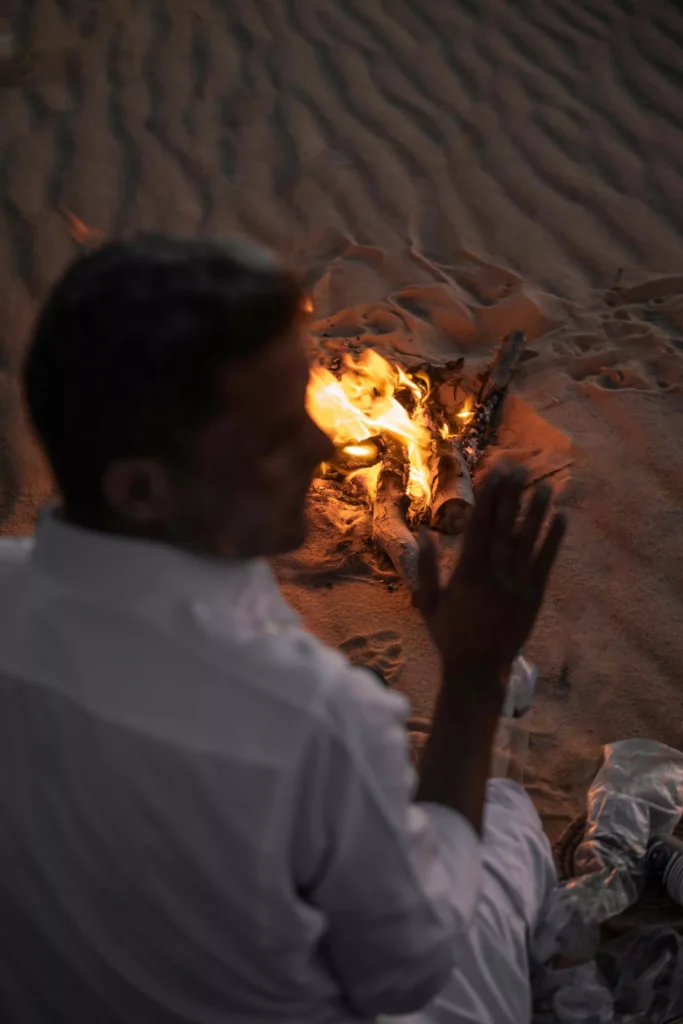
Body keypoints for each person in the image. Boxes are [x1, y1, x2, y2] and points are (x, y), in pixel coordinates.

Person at [0, 235, 565, 1024]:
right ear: (140, 489)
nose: (320, 445)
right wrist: (472, 679)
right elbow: (406, 972)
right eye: (273, 435)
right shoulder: (308, 719)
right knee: (505, 822)